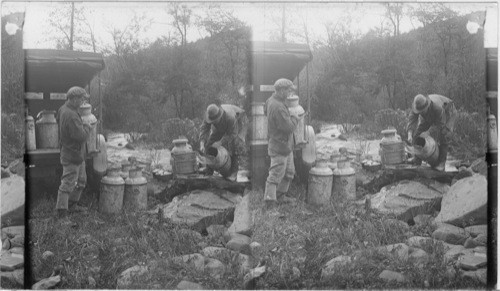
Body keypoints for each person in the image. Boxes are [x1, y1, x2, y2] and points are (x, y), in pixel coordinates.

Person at [264, 78, 302, 208]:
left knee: (289, 172)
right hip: (279, 146)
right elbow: (289, 128)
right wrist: (295, 118)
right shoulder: (278, 107)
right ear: (280, 91)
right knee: (275, 175)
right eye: (287, 90)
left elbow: (265, 111)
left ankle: (280, 196)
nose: (289, 93)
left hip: (285, 145)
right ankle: (270, 202)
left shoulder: (271, 100)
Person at [55, 86, 92, 218]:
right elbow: (81, 136)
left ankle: (72, 205)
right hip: (72, 155)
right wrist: (87, 126)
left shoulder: (64, 109)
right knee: (67, 184)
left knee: (81, 181)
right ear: (74, 99)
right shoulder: (71, 115)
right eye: (81, 98)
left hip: (75, 153)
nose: (83, 101)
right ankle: (61, 213)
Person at [406, 94, 458, 171]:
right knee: (418, 132)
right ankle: (417, 158)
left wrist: (428, 133)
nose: (421, 113)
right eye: (419, 112)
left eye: (422, 111)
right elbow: (412, 120)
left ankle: (441, 163)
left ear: (427, 106)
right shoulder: (416, 107)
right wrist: (409, 134)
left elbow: (439, 124)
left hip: (448, 112)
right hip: (430, 115)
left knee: (444, 133)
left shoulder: (437, 107)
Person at [199, 103, 246, 181]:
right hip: (222, 127)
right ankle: (209, 169)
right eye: (211, 121)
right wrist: (202, 143)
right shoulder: (208, 115)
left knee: (234, 144)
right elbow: (204, 129)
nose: (212, 122)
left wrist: (220, 142)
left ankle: (233, 172)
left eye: (214, 121)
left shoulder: (230, 117)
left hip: (239, 122)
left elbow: (233, 134)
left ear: (219, 116)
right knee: (209, 143)